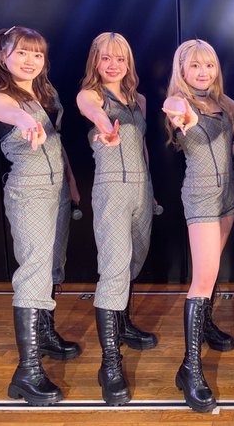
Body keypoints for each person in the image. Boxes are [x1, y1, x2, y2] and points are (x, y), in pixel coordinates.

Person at [163, 39, 234, 412]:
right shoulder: (179, 101)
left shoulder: (220, 100)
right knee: (202, 280)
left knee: (212, 271)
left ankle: (205, 327)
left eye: (209, 65)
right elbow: (175, 111)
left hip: (227, 195)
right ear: (182, 70)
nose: (203, 72)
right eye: (195, 66)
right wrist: (185, 119)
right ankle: (189, 369)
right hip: (201, 197)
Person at [0, 26, 81, 405]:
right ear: (2, 56)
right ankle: (27, 373)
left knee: (53, 264)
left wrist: (71, 182)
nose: (30, 60)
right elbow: (7, 113)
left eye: (37, 54)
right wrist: (26, 122)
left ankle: (44, 333)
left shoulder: (46, 92)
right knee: (33, 272)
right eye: (22, 52)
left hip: (57, 189)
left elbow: (56, 140)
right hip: (30, 191)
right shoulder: (0, 97)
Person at [77, 32, 156, 405]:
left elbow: (142, 147)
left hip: (141, 189)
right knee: (114, 268)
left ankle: (123, 326)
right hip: (111, 189)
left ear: (128, 63)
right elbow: (92, 112)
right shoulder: (90, 96)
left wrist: (150, 188)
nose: (113, 65)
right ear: (95, 61)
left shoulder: (139, 100)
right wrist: (105, 127)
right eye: (106, 58)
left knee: (134, 260)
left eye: (120, 58)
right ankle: (110, 363)